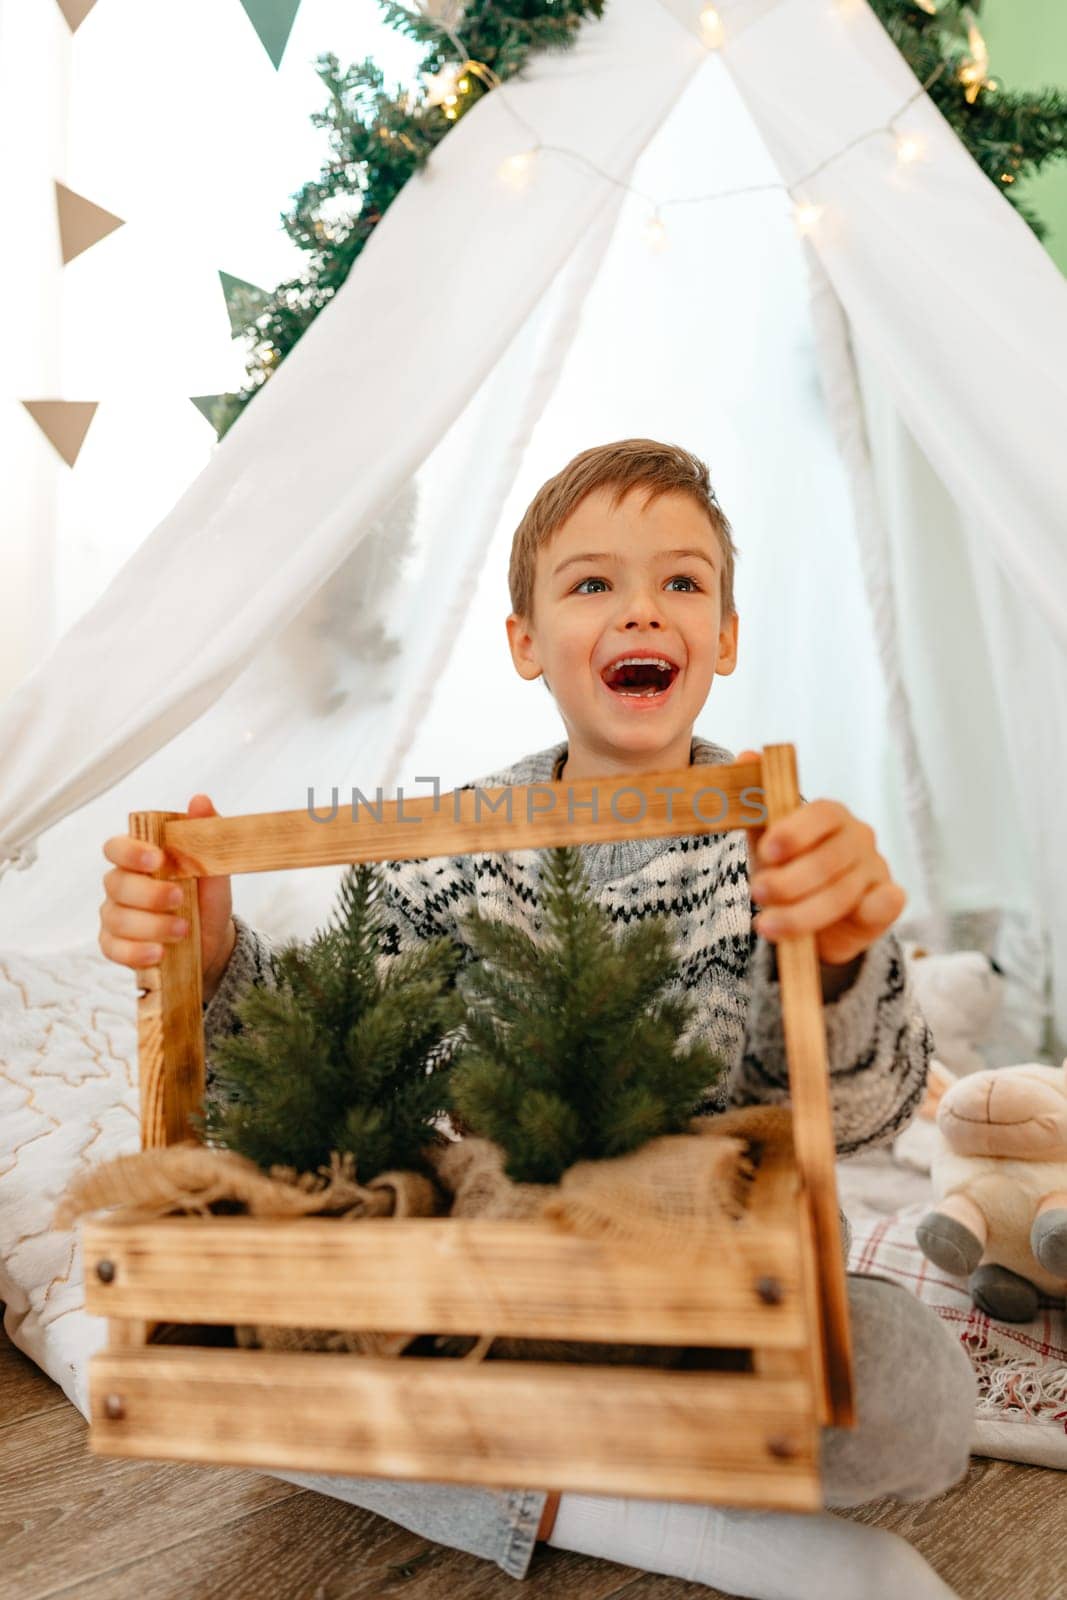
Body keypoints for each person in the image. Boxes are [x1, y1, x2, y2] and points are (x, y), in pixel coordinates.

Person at [98, 438, 975, 1599]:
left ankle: (540, 1468)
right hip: (498, 1274)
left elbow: (860, 1121)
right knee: (217, 1337)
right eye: (590, 583)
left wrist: (840, 959)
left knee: (910, 1386)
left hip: (707, 1278)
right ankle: (631, 1511)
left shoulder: (779, 843)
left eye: (680, 581)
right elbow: (324, 1073)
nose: (638, 611)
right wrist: (208, 954)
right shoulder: (453, 844)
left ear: (720, 636)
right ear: (524, 642)